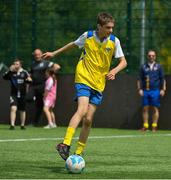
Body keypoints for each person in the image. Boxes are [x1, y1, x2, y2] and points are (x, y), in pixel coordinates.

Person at [42, 12, 127, 160]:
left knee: (88, 119)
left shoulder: (114, 41)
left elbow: (123, 62)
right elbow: (72, 45)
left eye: (112, 27)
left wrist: (114, 70)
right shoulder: (87, 36)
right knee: (81, 110)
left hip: (99, 83)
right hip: (83, 77)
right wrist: (54, 53)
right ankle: (65, 144)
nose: (111, 30)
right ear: (99, 26)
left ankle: (79, 153)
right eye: (108, 27)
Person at [28, 48, 60, 126]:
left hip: (42, 86)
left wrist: (52, 72)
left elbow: (57, 66)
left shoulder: (46, 63)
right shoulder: (32, 64)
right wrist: (29, 77)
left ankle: (36, 122)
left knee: (40, 105)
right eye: (35, 54)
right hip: (33, 85)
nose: (37, 56)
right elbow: (29, 74)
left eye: (38, 54)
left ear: (41, 54)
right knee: (28, 98)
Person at [137, 49, 166, 132]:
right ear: (147, 56)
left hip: (155, 90)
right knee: (145, 108)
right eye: (149, 56)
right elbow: (139, 79)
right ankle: (145, 126)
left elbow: (162, 79)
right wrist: (140, 89)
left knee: (155, 108)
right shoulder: (143, 66)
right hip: (146, 90)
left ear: (155, 57)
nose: (151, 57)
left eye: (153, 56)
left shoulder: (159, 67)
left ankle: (154, 126)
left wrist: (163, 89)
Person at [3, 59, 32, 130]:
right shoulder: (11, 72)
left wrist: (29, 80)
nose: (15, 65)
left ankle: (22, 125)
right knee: (13, 108)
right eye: (14, 64)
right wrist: (10, 70)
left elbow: (29, 80)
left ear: (20, 65)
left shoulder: (24, 72)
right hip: (14, 94)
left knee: (22, 110)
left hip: (22, 94)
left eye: (17, 64)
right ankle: (12, 125)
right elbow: (4, 77)